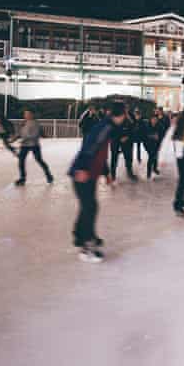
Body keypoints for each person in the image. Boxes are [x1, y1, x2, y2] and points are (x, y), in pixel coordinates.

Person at [68, 101, 126, 262]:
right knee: (90, 207)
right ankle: (87, 247)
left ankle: (80, 236)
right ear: (121, 115)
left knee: (88, 206)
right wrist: (81, 168)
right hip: (83, 173)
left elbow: (101, 154)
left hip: (90, 174)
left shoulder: (106, 126)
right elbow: (89, 147)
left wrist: (106, 173)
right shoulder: (105, 128)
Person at [14, 109, 54, 186]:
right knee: (21, 161)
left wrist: (24, 139)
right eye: (25, 114)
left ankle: (49, 176)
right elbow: (20, 133)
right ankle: (22, 178)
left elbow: (35, 135)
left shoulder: (36, 123)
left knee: (39, 160)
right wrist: (13, 139)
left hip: (34, 145)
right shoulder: (24, 122)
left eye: (28, 114)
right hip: (24, 145)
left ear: (32, 115)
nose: (26, 115)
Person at [109, 109, 137, 182]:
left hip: (127, 140)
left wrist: (127, 136)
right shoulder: (113, 115)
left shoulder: (130, 115)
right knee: (114, 158)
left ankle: (129, 173)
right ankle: (113, 175)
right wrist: (118, 138)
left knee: (128, 157)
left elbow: (134, 127)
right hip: (115, 140)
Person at [143, 114, 162, 179]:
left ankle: (154, 168)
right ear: (150, 119)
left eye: (155, 120)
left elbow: (161, 136)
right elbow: (144, 136)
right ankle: (149, 173)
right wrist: (152, 136)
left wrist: (159, 143)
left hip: (156, 144)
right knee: (151, 157)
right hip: (148, 145)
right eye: (153, 119)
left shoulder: (159, 126)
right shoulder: (147, 126)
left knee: (155, 156)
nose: (154, 121)